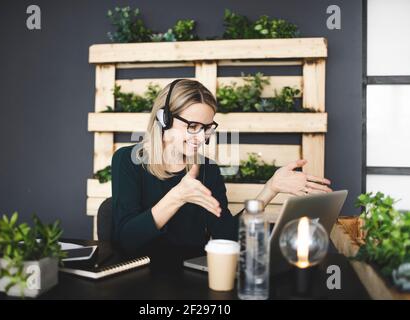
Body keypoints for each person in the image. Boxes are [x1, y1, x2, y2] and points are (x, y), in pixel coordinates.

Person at [111, 79, 332, 261]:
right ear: (164, 119)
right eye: (193, 126)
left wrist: (270, 189)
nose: (201, 137)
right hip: (139, 278)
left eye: (207, 128)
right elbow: (127, 240)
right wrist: (177, 196)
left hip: (192, 280)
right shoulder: (128, 161)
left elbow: (227, 235)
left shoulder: (208, 169)